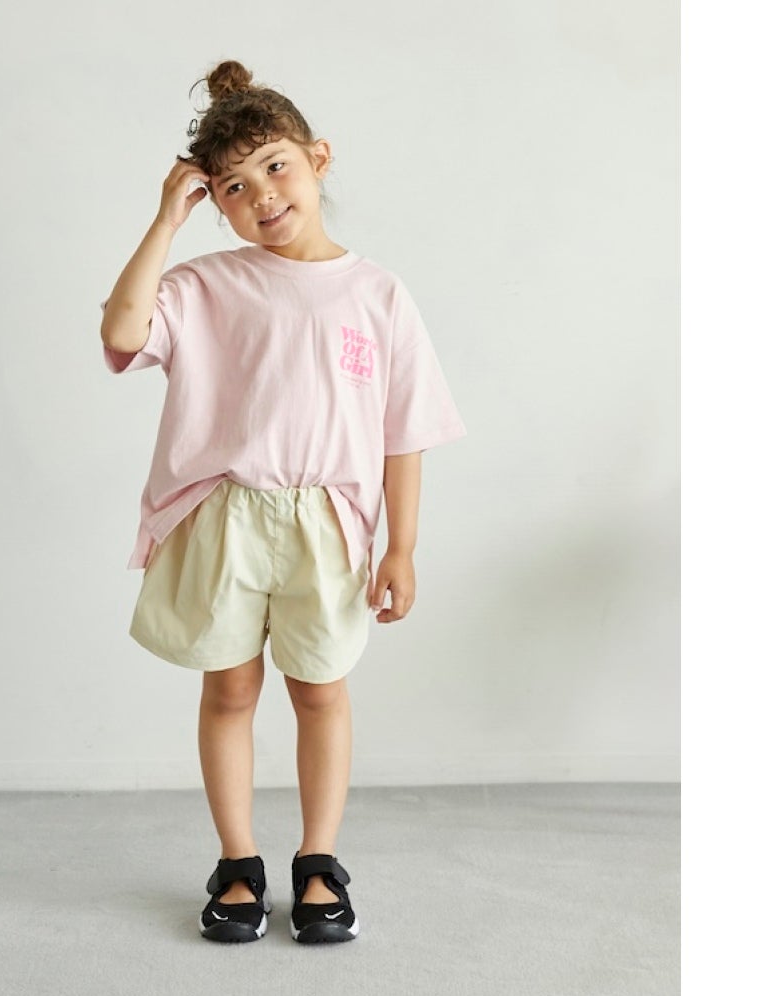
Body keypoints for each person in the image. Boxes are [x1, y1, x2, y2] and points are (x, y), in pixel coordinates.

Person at [99, 60, 467, 944]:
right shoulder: (204, 286)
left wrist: (402, 546)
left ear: (317, 158)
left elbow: (403, 430)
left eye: (275, 167)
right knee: (230, 689)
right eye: (233, 186)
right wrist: (165, 221)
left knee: (320, 691)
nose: (262, 194)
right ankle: (237, 863)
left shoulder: (377, 293)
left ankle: (319, 862)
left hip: (327, 525)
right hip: (225, 516)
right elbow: (121, 330)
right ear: (215, 204)